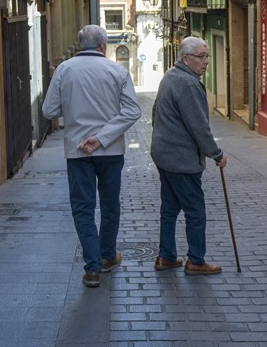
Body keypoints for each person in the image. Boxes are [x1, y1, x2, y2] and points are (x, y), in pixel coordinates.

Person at [42, 25, 141, 288]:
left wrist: (74, 109)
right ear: (103, 46)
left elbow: (49, 110)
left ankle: (92, 268)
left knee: (83, 208)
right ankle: (108, 257)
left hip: (77, 151)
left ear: (79, 45)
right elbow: (133, 111)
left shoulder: (64, 69)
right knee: (110, 205)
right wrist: (102, 137)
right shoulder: (117, 70)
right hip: (110, 151)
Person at [150, 36, 228, 275]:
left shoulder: (171, 76)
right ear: (186, 58)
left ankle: (166, 256)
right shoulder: (188, 84)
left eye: (207, 56)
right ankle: (195, 260)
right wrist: (216, 153)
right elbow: (199, 126)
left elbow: (154, 112)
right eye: (201, 57)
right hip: (180, 160)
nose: (205, 62)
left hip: (164, 155)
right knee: (195, 210)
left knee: (170, 207)